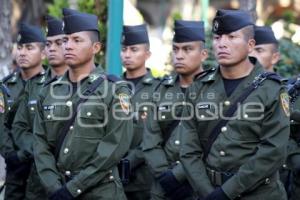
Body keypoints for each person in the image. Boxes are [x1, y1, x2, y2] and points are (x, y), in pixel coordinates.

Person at [180, 9, 289, 200]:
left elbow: (273, 151)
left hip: (259, 194)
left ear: (250, 45)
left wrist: (227, 192)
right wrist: (207, 192)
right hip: (208, 192)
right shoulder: (199, 87)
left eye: (231, 37)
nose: (222, 44)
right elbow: (188, 149)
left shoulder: (271, 89)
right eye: (217, 37)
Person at [33, 8, 133, 200]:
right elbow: (40, 145)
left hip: (101, 192)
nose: (68, 46)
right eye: (65, 40)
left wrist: (73, 189)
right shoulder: (47, 91)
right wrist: (54, 188)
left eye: (77, 40)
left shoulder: (115, 90)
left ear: (96, 48)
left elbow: (114, 147)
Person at [142, 20, 209, 200]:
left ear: (203, 54)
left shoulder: (214, 90)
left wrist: (178, 175)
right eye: (176, 49)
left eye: (187, 49)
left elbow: (215, 141)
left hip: (199, 185)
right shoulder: (161, 90)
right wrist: (166, 177)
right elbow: (150, 141)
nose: (179, 55)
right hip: (162, 188)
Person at [11, 15, 68, 200]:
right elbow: (19, 127)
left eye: (59, 43)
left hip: (72, 178)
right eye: (49, 44)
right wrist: (39, 150)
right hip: (37, 180)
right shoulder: (35, 85)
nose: (52, 49)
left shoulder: (86, 86)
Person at [0, 23, 46, 200]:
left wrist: (26, 154)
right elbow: (1, 126)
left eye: (29, 47)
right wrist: (12, 155)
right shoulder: (6, 86)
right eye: (19, 48)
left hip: (41, 169)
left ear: (43, 53)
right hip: (14, 169)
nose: (22, 53)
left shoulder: (51, 85)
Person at [120, 24, 160, 200]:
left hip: (144, 179)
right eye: (124, 49)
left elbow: (157, 134)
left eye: (134, 49)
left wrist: (130, 161)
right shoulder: (111, 87)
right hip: (111, 179)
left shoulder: (159, 88)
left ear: (147, 54)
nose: (127, 54)